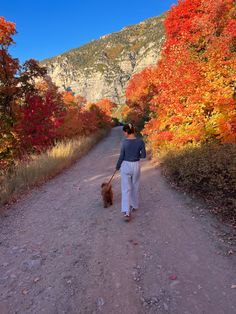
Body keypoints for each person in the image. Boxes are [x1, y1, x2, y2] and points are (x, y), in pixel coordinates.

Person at [116, 123, 146, 221]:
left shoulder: (124, 142)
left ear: (126, 131)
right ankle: (134, 205)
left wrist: (118, 166)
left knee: (126, 189)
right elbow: (144, 155)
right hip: (136, 165)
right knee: (135, 186)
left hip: (126, 165)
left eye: (124, 132)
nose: (124, 134)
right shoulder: (140, 142)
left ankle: (126, 212)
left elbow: (121, 156)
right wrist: (137, 155)